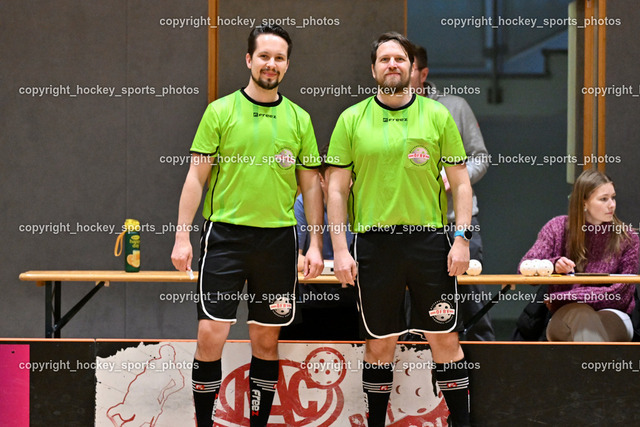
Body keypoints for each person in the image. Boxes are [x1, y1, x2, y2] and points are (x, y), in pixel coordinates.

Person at [170, 25, 325, 427]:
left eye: (279, 58)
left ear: (287, 64)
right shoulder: (220, 112)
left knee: (266, 340)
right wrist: (182, 237)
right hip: (225, 237)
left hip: (278, 241)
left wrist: (315, 244)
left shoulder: (300, 119)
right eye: (264, 56)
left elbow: (311, 185)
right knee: (211, 336)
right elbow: (196, 177)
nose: (271, 64)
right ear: (248, 60)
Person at [327, 32, 473, 427]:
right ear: (373, 69)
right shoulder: (351, 119)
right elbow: (336, 189)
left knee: (445, 340)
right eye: (384, 59)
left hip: (429, 242)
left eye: (400, 59)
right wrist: (339, 248)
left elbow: (461, 183)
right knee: (379, 344)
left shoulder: (437, 115)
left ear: (412, 68)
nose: (392, 64)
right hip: (374, 245)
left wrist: (462, 238)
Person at [409, 44, 494, 341]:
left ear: (423, 74)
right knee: (417, 306)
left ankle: (483, 362)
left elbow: (480, 157)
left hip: (457, 221)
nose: (398, 71)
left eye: (408, 66)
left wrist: (456, 176)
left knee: (470, 301)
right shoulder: (386, 113)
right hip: (411, 226)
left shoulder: (455, 106)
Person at [519, 169, 639, 342]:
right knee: (581, 314)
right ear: (584, 202)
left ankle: (587, 359)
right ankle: (597, 360)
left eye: (613, 197)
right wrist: (553, 265)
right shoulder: (557, 228)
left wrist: (561, 297)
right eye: (603, 199)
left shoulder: (627, 237)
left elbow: (621, 295)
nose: (612, 205)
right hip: (567, 316)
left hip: (614, 315)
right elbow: (525, 268)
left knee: (585, 319)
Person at [279, 163, 359, 341]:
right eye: (337, 176)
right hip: (310, 297)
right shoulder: (302, 204)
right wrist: (334, 266)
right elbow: (293, 258)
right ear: (321, 180)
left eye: (348, 176)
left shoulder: (360, 203)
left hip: (352, 297)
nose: (347, 182)